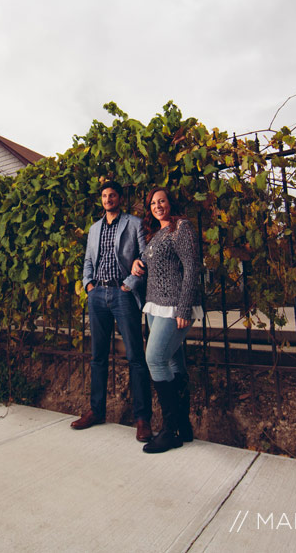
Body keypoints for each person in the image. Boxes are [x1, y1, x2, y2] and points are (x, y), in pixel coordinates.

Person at [73, 181, 153, 442]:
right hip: (97, 296)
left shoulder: (133, 223)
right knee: (97, 357)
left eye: (112, 195)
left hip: (123, 294)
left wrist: (129, 285)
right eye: (104, 196)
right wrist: (88, 285)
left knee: (135, 357)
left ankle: (142, 419)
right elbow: (88, 259)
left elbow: (144, 256)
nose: (108, 199)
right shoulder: (94, 229)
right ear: (101, 199)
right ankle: (96, 411)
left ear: (119, 198)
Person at [131, 187, 201, 453]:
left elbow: (192, 267)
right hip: (155, 306)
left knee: (154, 359)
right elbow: (153, 262)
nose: (158, 206)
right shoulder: (157, 234)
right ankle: (184, 427)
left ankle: (170, 431)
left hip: (174, 307)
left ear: (171, 203)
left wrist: (183, 308)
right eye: (153, 203)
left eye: (162, 201)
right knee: (172, 361)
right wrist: (137, 263)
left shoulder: (181, 227)